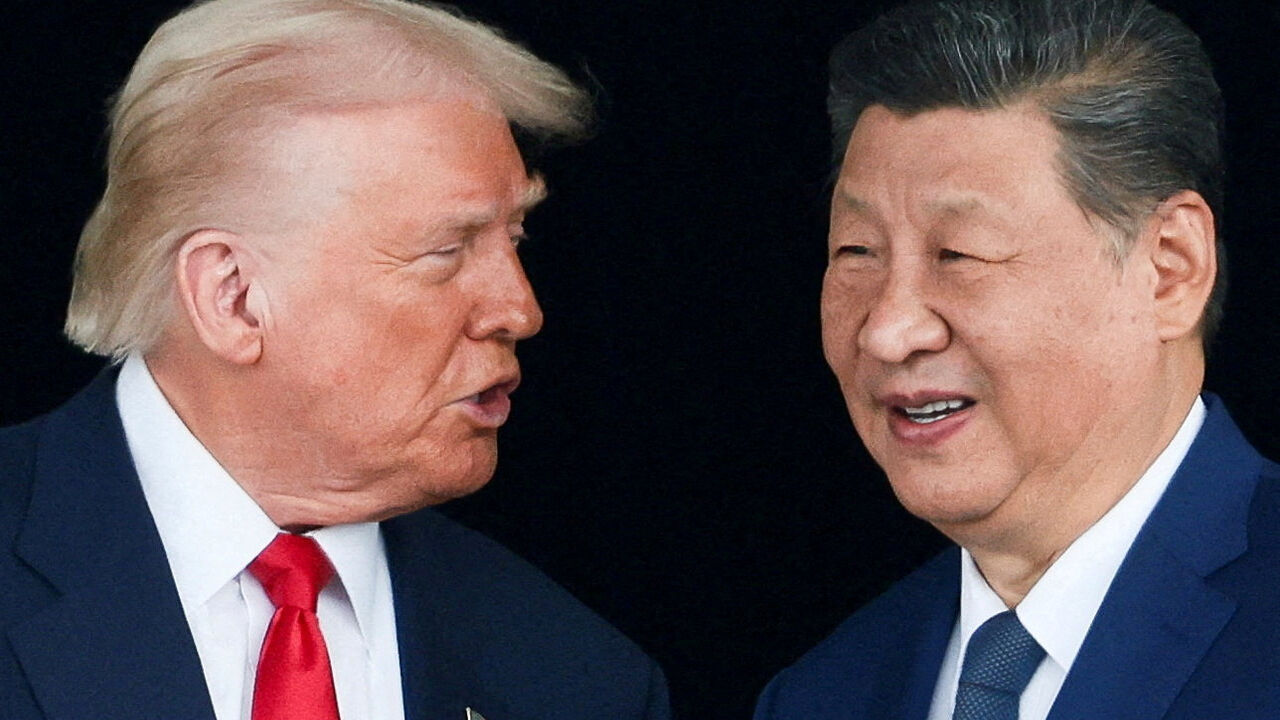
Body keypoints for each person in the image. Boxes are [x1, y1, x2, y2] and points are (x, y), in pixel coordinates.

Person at [0, 1, 670, 719]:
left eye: (516, 238)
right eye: (447, 251)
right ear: (234, 297)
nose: (519, 309)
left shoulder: (580, 678)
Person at [755, 1, 1280, 719]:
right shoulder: (824, 694)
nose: (889, 331)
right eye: (857, 252)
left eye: (960, 254)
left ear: (1169, 269)